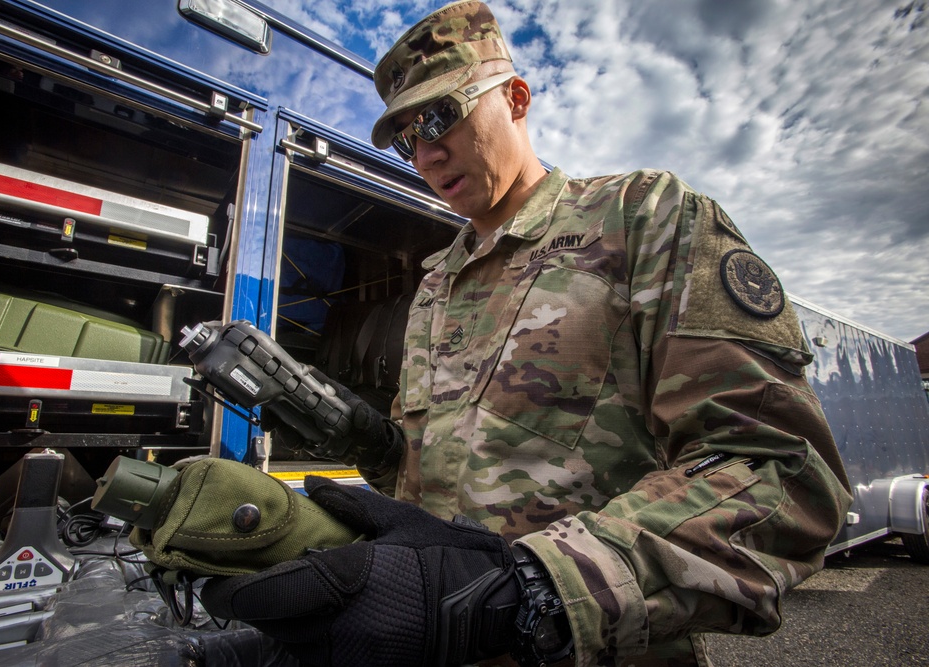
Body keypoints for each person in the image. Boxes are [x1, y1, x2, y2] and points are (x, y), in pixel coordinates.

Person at [200, 2, 853, 665]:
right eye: (406, 138)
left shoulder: (642, 222)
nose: (425, 154)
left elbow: (782, 475)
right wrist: (359, 434)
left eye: (438, 117)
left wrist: (532, 591)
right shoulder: (435, 285)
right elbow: (427, 477)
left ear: (515, 98)